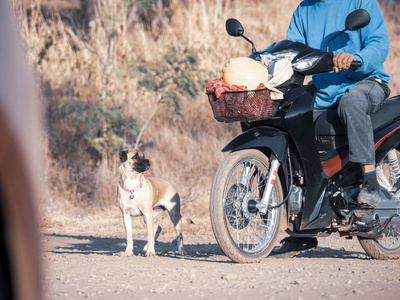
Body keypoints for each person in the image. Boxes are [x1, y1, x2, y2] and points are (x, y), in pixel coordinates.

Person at [272, 0, 391, 258]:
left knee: (351, 101)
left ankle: (369, 183)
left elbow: (379, 43)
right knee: (290, 116)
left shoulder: (360, 2)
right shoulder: (303, 11)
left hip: (367, 82)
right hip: (324, 92)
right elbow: (292, 52)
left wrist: (357, 58)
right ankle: (302, 228)